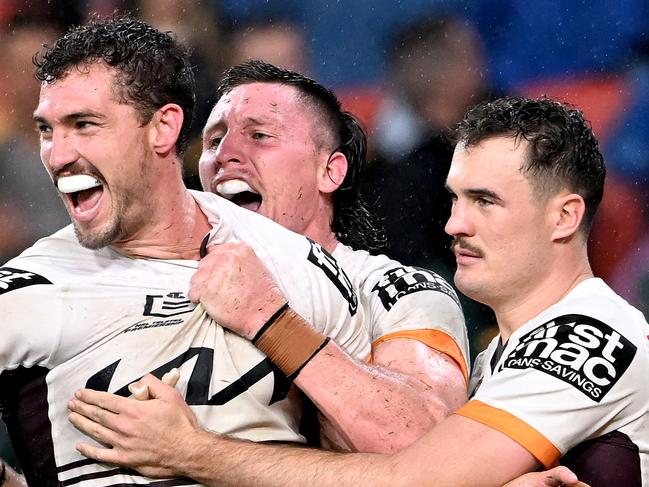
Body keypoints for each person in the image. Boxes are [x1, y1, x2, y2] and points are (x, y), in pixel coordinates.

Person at [70, 96, 648, 486]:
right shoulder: (500, 350)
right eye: (454, 199)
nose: (454, 225)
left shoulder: (589, 335)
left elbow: (407, 480)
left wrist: (191, 452)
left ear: (564, 217)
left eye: (485, 201)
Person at [0, 17, 373, 487]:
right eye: (46, 130)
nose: (57, 155)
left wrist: (273, 327)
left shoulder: (292, 262)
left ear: (163, 127)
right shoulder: (26, 292)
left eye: (84, 125)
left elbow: (403, 464)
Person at [66, 58, 470, 466]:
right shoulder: (157, 292)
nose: (225, 155)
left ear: (329, 171)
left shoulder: (396, 291)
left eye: (259, 135)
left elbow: (427, 450)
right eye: (212, 142)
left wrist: (270, 320)